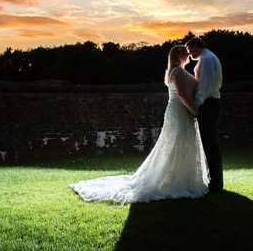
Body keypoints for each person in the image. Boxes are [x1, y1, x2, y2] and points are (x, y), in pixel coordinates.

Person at [69, 45, 209, 204]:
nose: (188, 54)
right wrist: (194, 109)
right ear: (178, 56)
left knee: (182, 144)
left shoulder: (181, 71)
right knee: (175, 143)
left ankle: (184, 177)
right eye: (185, 53)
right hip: (179, 111)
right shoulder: (177, 71)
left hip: (182, 112)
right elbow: (182, 94)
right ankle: (173, 180)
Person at [186, 37, 223, 193]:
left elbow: (205, 85)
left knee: (210, 144)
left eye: (189, 50)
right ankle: (214, 181)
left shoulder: (207, 60)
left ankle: (215, 184)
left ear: (195, 45)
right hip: (210, 102)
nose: (189, 54)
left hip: (209, 103)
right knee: (209, 143)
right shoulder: (208, 57)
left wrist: (196, 104)